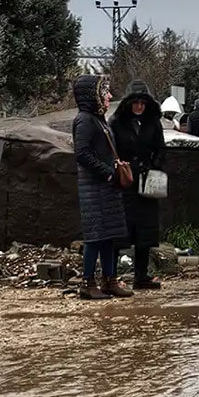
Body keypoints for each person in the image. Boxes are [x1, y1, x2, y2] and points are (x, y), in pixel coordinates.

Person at [71, 74, 133, 300]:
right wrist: (107, 173)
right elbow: (82, 154)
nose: (109, 96)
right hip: (95, 188)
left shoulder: (98, 119)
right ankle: (87, 283)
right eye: (104, 91)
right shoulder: (85, 120)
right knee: (95, 237)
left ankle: (110, 280)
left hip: (106, 187)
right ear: (92, 95)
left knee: (109, 236)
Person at [109, 79, 166, 290]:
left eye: (143, 102)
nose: (139, 106)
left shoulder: (152, 123)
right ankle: (111, 275)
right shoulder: (117, 122)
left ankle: (141, 275)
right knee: (120, 230)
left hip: (146, 180)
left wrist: (154, 165)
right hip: (124, 181)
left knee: (145, 232)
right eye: (135, 102)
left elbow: (160, 147)